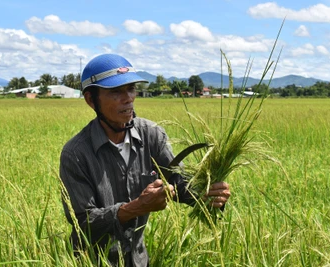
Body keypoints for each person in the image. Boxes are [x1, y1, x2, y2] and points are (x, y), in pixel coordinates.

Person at [59, 54, 230, 266]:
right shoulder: (76, 154)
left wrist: (207, 194)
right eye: (115, 92)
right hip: (93, 261)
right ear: (91, 100)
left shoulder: (151, 135)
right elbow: (83, 222)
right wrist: (136, 207)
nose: (128, 98)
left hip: (139, 260)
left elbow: (179, 183)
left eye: (131, 89)